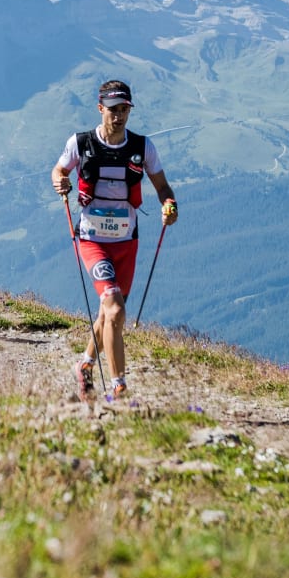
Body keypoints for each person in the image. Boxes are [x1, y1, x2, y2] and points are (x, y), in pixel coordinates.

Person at [50, 79, 177, 403]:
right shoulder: (81, 143)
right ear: (100, 109)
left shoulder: (142, 147)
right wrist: (61, 184)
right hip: (92, 240)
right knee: (116, 309)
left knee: (109, 313)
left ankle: (85, 365)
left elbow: (163, 186)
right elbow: (59, 171)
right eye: (112, 110)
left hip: (126, 242)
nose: (118, 116)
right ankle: (119, 386)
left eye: (124, 110)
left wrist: (169, 205)